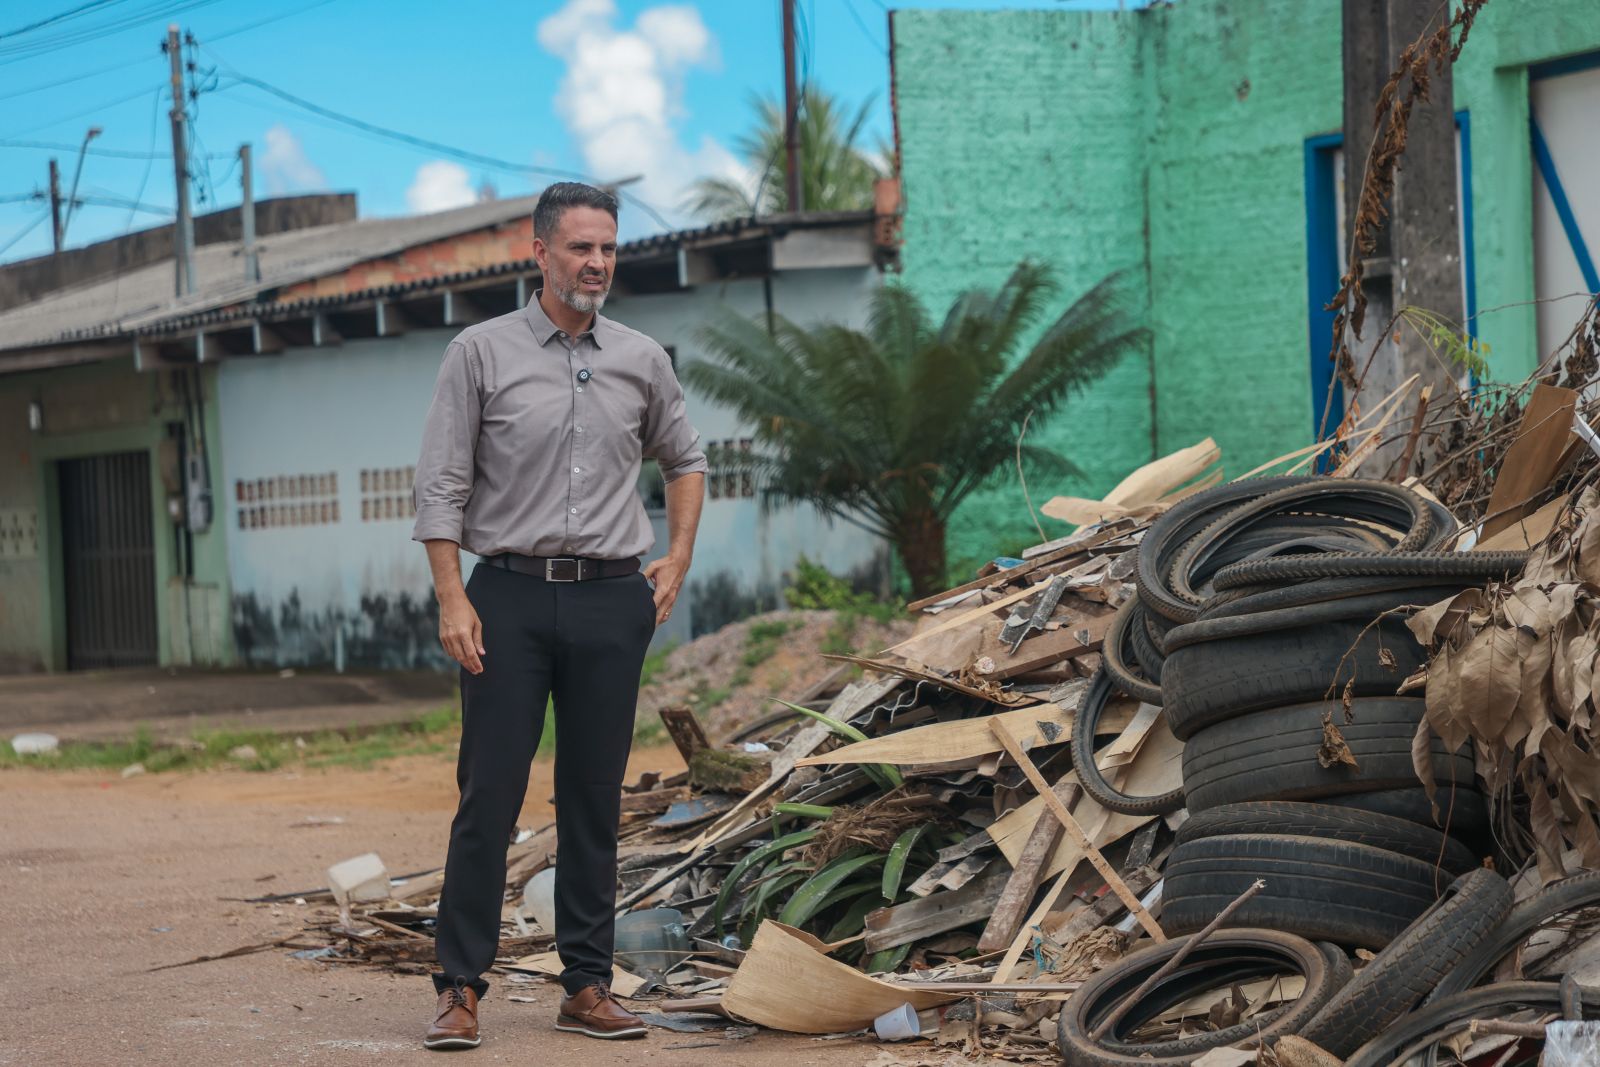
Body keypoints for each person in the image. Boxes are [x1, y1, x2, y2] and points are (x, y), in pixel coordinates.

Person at [410, 181, 707, 1049]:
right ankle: (460, 986)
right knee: (489, 795)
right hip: (504, 593)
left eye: (608, 246)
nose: (598, 262)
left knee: (591, 798)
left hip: (614, 598)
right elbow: (441, 484)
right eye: (581, 247)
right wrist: (452, 594)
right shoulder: (480, 352)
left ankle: (586, 983)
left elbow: (686, 459)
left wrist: (677, 556)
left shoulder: (641, 357)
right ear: (539, 253)